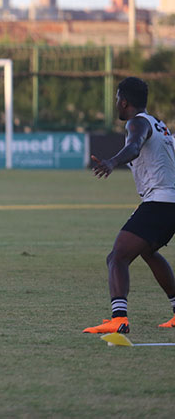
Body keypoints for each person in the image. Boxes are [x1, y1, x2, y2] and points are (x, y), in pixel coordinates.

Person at [84, 77, 175, 334]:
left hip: (159, 203)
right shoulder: (160, 125)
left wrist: (112, 162)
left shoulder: (138, 123)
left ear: (124, 101)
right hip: (166, 203)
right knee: (147, 252)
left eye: (116, 100)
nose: (116, 104)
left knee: (117, 257)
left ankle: (119, 318)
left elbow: (134, 147)